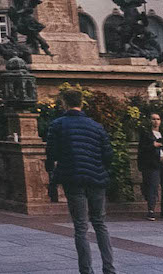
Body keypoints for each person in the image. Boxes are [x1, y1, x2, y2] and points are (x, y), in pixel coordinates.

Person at [45, 89, 115, 274]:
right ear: (82, 103)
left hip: (73, 178)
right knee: (100, 223)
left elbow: (52, 153)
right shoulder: (96, 126)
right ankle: (109, 268)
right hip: (96, 178)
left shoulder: (57, 125)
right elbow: (108, 154)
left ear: (64, 103)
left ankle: (86, 270)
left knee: (81, 227)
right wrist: (100, 168)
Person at [137, 112, 163, 221]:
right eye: (153, 119)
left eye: (158, 119)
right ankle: (151, 210)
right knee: (153, 187)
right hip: (153, 163)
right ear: (150, 121)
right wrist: (152, 145)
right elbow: (142, 149)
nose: (156, 121)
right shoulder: (146, 134)